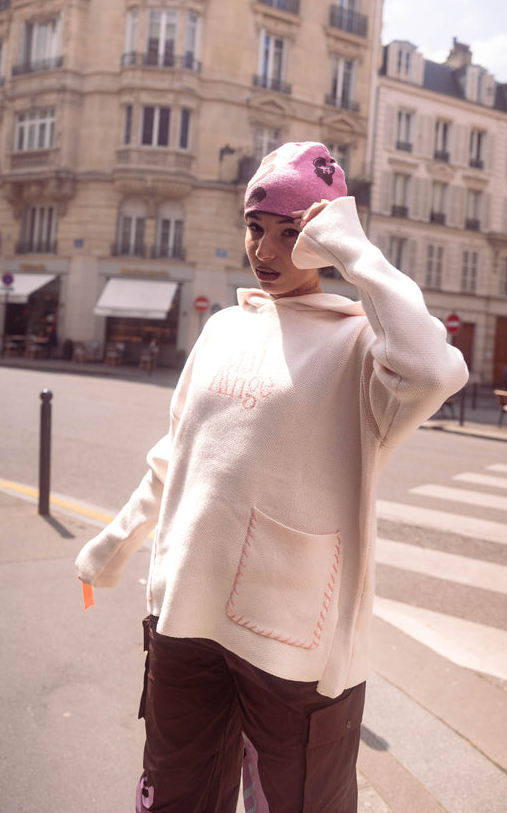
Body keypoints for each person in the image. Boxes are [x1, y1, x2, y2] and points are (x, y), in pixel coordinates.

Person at [75, 142, 468, 813]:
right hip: (184, 614)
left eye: (291, 233)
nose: (265, 250)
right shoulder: (223, 328)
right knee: (175, 795)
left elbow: (435, 369)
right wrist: (109, 548)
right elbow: (175, 456)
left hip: (293, 638)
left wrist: (352, 248)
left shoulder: (361, 347)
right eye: (255, 227)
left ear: (326, 238)